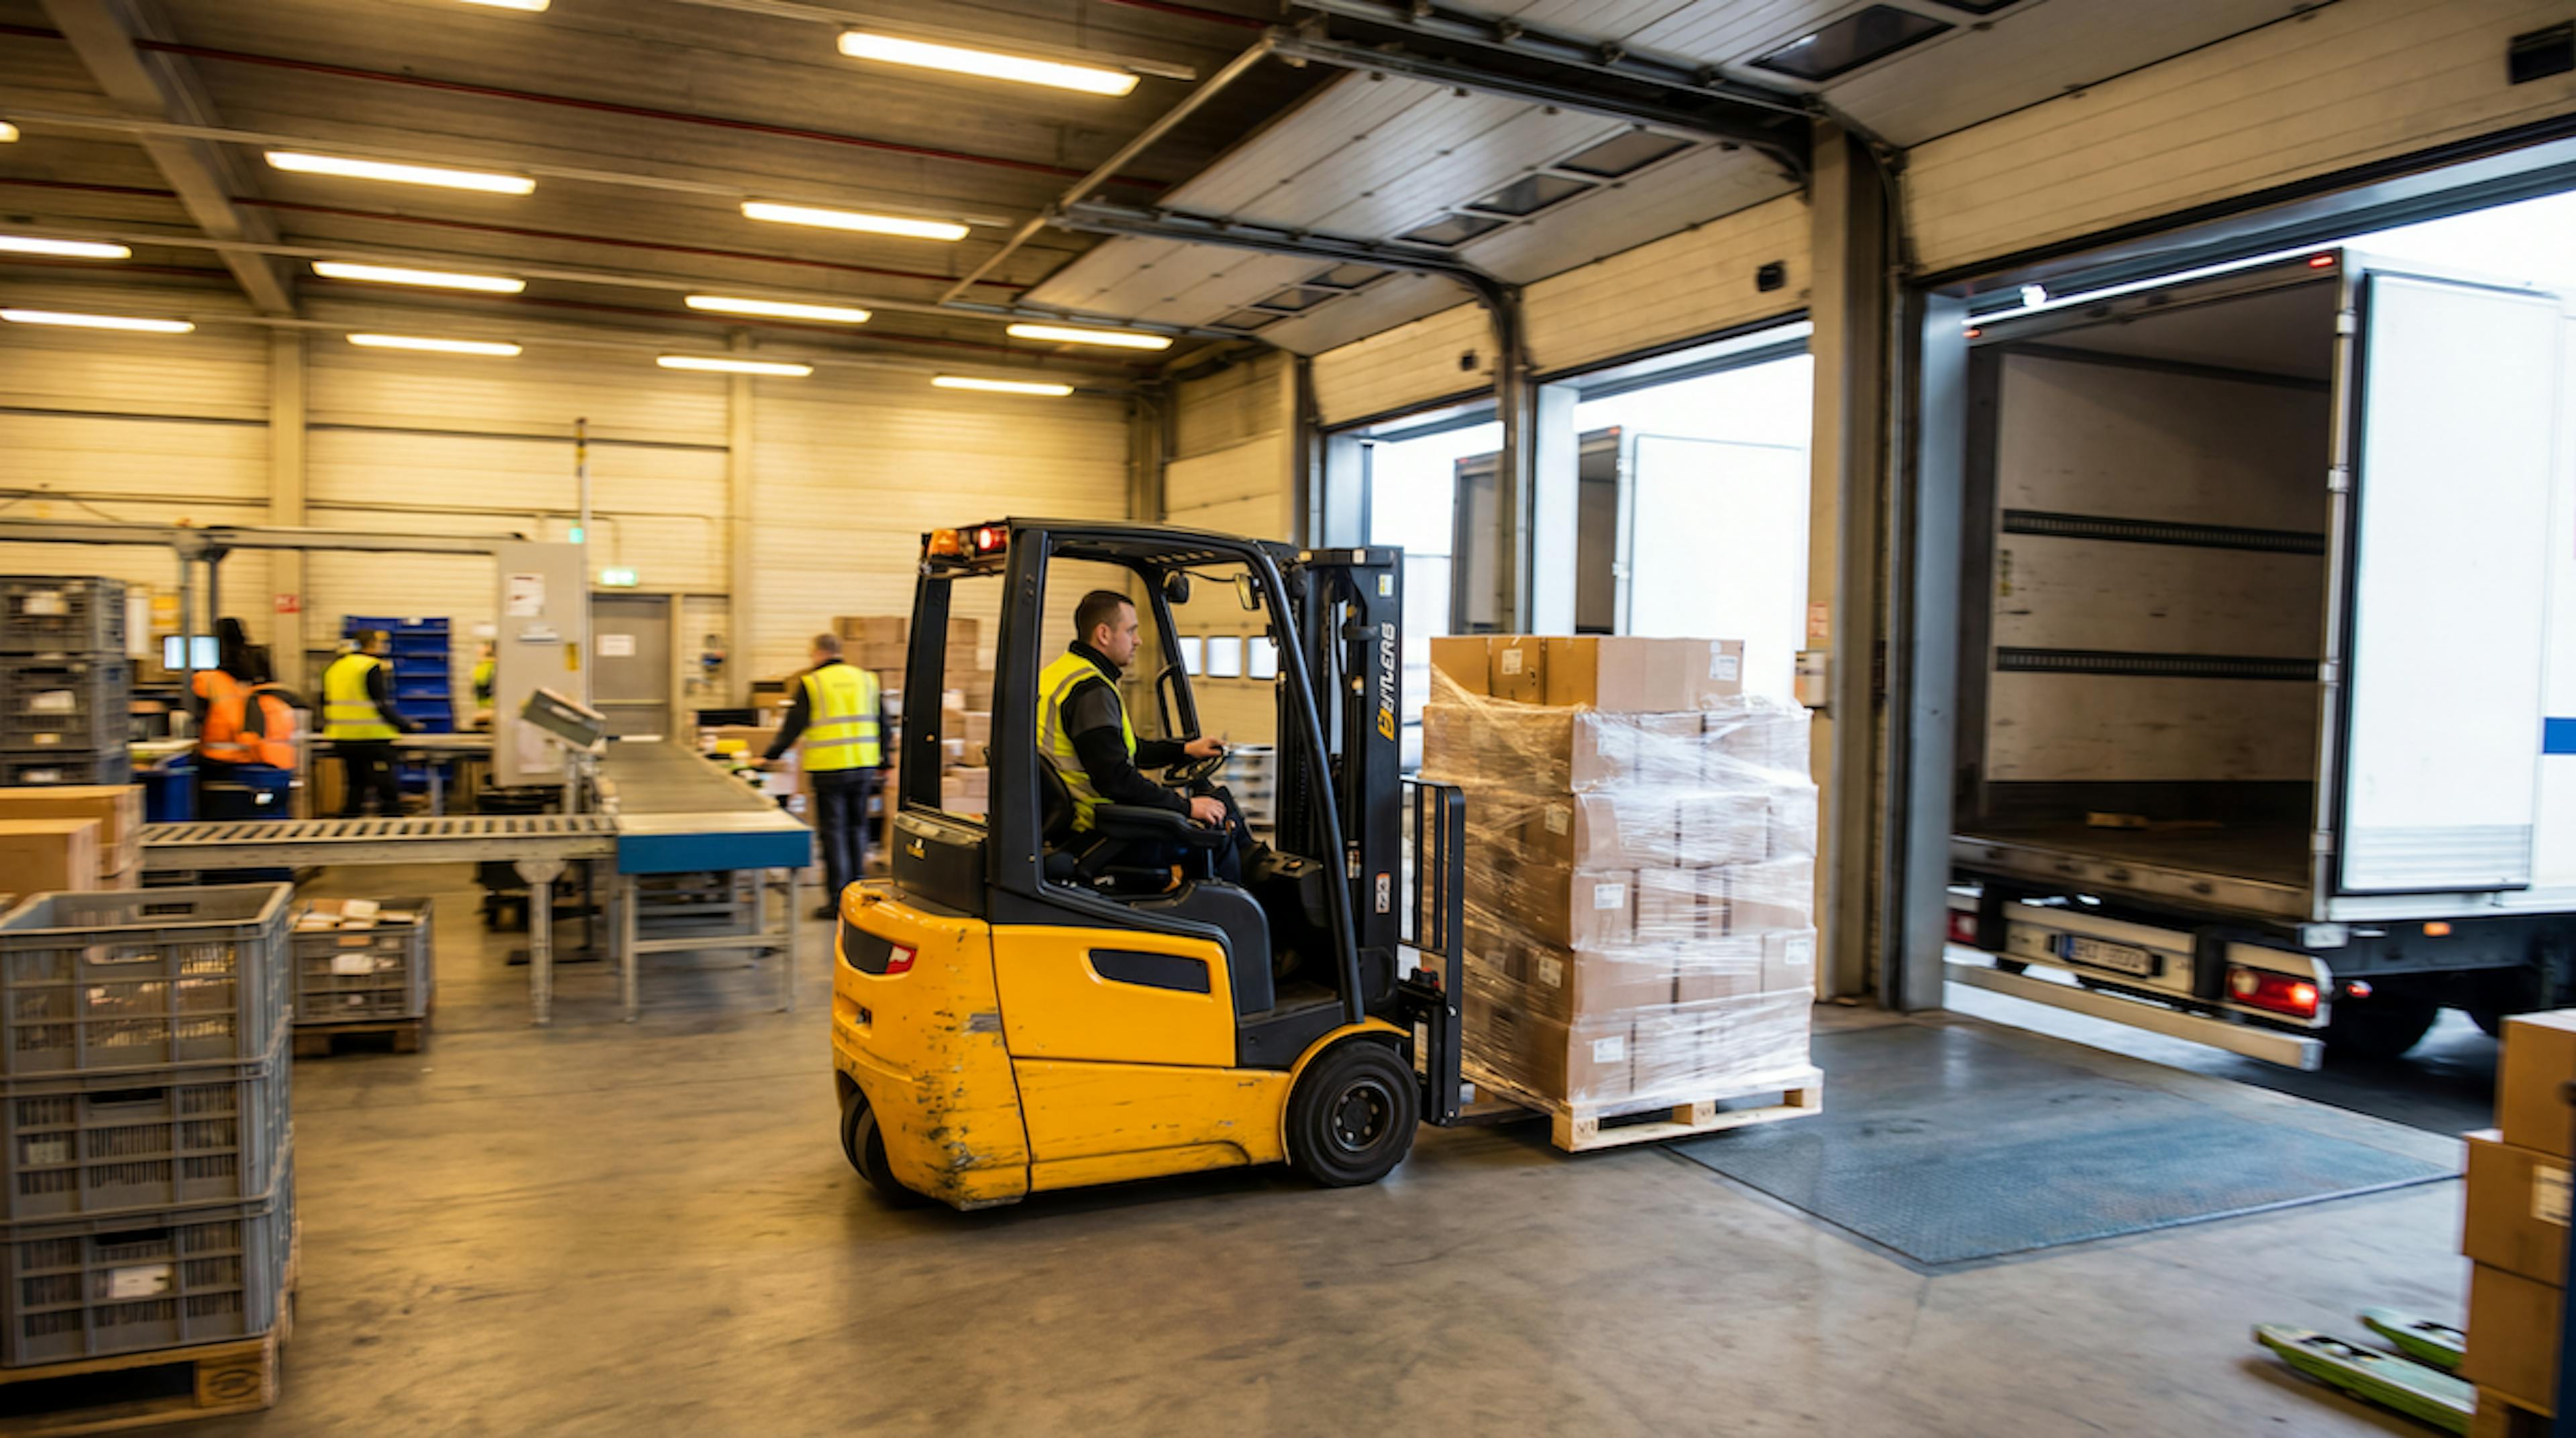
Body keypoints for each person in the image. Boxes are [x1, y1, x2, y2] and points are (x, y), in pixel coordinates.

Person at [1038, 590, 1242, 883]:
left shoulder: (1060, 675)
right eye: (1131, 631)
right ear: (1104, 634)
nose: (1138, 640)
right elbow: (1117, 779)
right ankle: (1234, 925)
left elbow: (1122, 751)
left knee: (1208, 812)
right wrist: (1186, 806)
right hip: (1101, 825)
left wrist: (1185, 749)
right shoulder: (1091, 690)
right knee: (1216, 834)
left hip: (1076, 820)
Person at [762, 632, 885, 920]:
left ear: (818, 652)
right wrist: (886, 761)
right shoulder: (866, 679)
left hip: (829, 769)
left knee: (833, 833)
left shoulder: (812, 683)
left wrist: (770, 756)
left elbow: (793, 726)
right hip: (864, 767)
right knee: (858, 830)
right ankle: (859, 896)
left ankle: (837, 901)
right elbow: (883, 721)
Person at [321, 630, 417, 817]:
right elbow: (379, 703)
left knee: (355, 786)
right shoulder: (370, 666)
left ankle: (349, 824)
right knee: (386, 788)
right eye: (380, 643)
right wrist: (405, 726)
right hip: (371, 738)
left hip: (342, 737)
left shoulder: (335, 667)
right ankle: (392, 824)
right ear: (370, 645)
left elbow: (325, 701)